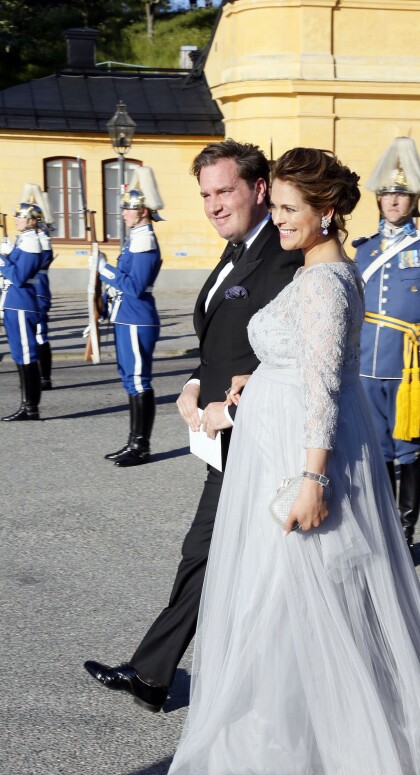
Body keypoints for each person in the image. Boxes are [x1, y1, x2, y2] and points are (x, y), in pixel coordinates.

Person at [160, 147, 420, 775]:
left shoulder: (322, 280)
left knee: (301, 602)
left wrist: (312, 481)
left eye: (291, 210)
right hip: (282, 445)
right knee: (291, 601)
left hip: (301, 461)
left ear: (325, 211)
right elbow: (307, 365)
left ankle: (317, 748)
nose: (280, 220)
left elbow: (323, 388)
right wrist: (250, 386)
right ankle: (291, 739)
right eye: (279, 207)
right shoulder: (320, 269)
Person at [84, 141, 303, 709]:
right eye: (206, 194)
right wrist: (191, 385)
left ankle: (296, 686)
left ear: (259, 189)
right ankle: (154, 675)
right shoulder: (237, 250)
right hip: (226, 435)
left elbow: (290, 353)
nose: (213, 204)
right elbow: (223, 345)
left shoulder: (283, 258)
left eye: (224, 190)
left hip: (262, 437)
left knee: (266, 563)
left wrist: (229, 406)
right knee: (205, 553)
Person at [354, 137, 420, 558]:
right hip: (364, 368)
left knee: (407, 450)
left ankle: (404, 533)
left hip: (410, 370)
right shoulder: (362, 250)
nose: (392, 200)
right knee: (376, 451)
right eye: (386, 193)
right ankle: (381, 527)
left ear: (414, 198)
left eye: (399, 193)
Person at [95, 166, 164, 467]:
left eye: (128, 208)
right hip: (126, 316)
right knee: (129, 379)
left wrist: (104, 269)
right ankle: (132, 442)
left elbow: (133, 286)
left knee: (138, 380)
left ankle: (141, 446)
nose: (123, 212)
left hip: (137, 316)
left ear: (143, 211)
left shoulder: (144, 240)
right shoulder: (134, 239)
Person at [0, 185, 47, 421]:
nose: (16, 219)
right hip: (14, 302)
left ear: (31, 221)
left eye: (20, 216)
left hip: (22, 302)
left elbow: (19, 277)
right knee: (19, 355)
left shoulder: (31, 243)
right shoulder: (24, 241)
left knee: (26, 354)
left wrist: (1, 260)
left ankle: (31, 407)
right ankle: (26, 404)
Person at [36, 211, 55, 390]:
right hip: (28, 293)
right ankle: (34, 376)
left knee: (40, 335)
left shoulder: (43, 240)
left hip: (38, 293)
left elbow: (41, 261)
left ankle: (45, 378)